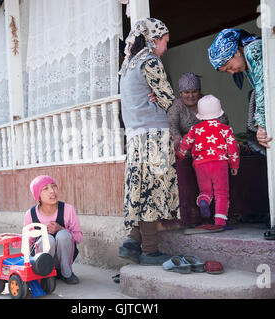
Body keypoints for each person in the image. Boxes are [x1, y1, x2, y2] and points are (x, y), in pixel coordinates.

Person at [118, 17, 180, 266]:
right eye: (164, 42)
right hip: (153, 136)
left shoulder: (128, 66)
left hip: (135, 136)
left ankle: (132, 242)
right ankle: (150, 251)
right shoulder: (150, 61)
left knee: (141, 190)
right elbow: (167, 98)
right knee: (153, 192)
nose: (166, 47)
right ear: (154, 41)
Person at [167, 72, 229, 227]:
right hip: (187, 150)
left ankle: (212, 212)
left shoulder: (208, 102)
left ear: (199, 91)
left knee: (210, 189)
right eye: (186, 92)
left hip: (208, 151)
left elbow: (223, 122)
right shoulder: (177, 106)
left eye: (194, 91)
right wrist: (182, 146)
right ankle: (209, 218)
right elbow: (172, 128)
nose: (191, 95)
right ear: (181, 93)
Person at [177, 95, 240, 229]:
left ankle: (204, 200)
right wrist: (234, 165)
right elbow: (233, 147)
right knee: (221, 193)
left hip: (200, 165)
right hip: (220, 163)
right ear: (219, 112)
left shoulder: (195, 129)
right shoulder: (225, 129)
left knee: (206, 190)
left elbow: (185, 143)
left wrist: (180, 156)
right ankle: (220, 223)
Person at [208, 28, 273, 148]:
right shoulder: (246, 58)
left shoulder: (252, 51)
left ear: (237, 52)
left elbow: (262, 87)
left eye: (229, 67)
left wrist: (261, 126)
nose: (232, 73)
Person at [24, 175, 82, 284]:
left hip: (62, 260)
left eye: (54, 186)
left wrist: (61, 229)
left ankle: (67, 273)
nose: (52, 191)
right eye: (45, 188)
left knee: (63, 235)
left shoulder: (68, 210)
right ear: (38, 196)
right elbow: (28, 243)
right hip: (41, 262)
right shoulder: (30, 214)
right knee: (48, 239)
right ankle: (45, 275)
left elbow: (78, 238)